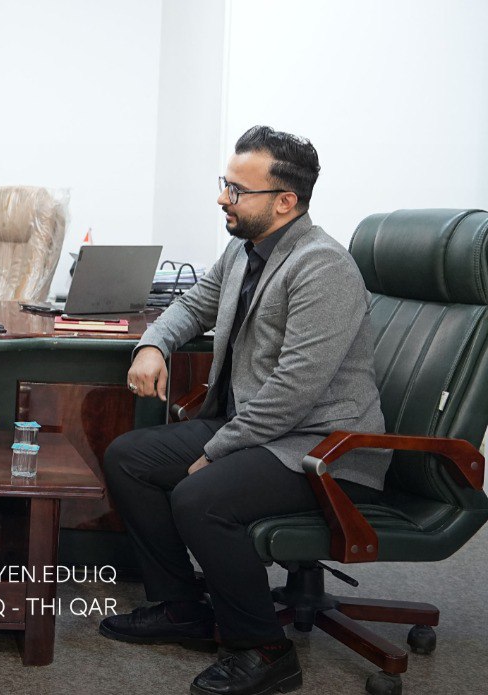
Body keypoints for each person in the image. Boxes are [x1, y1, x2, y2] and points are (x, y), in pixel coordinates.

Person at [100, 126, 390, 695]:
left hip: (323, 448)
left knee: (200, 497)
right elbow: (191, 305)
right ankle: (182, 607)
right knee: (129, 458)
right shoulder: (244, 250)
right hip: (261, 431)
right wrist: (153, 345)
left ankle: (265, 649)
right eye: (225, 183)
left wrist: (217, 451)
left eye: (237, 190)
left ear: (285, 201)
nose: (222, 198)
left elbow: (293, 391)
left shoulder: (323, 268)